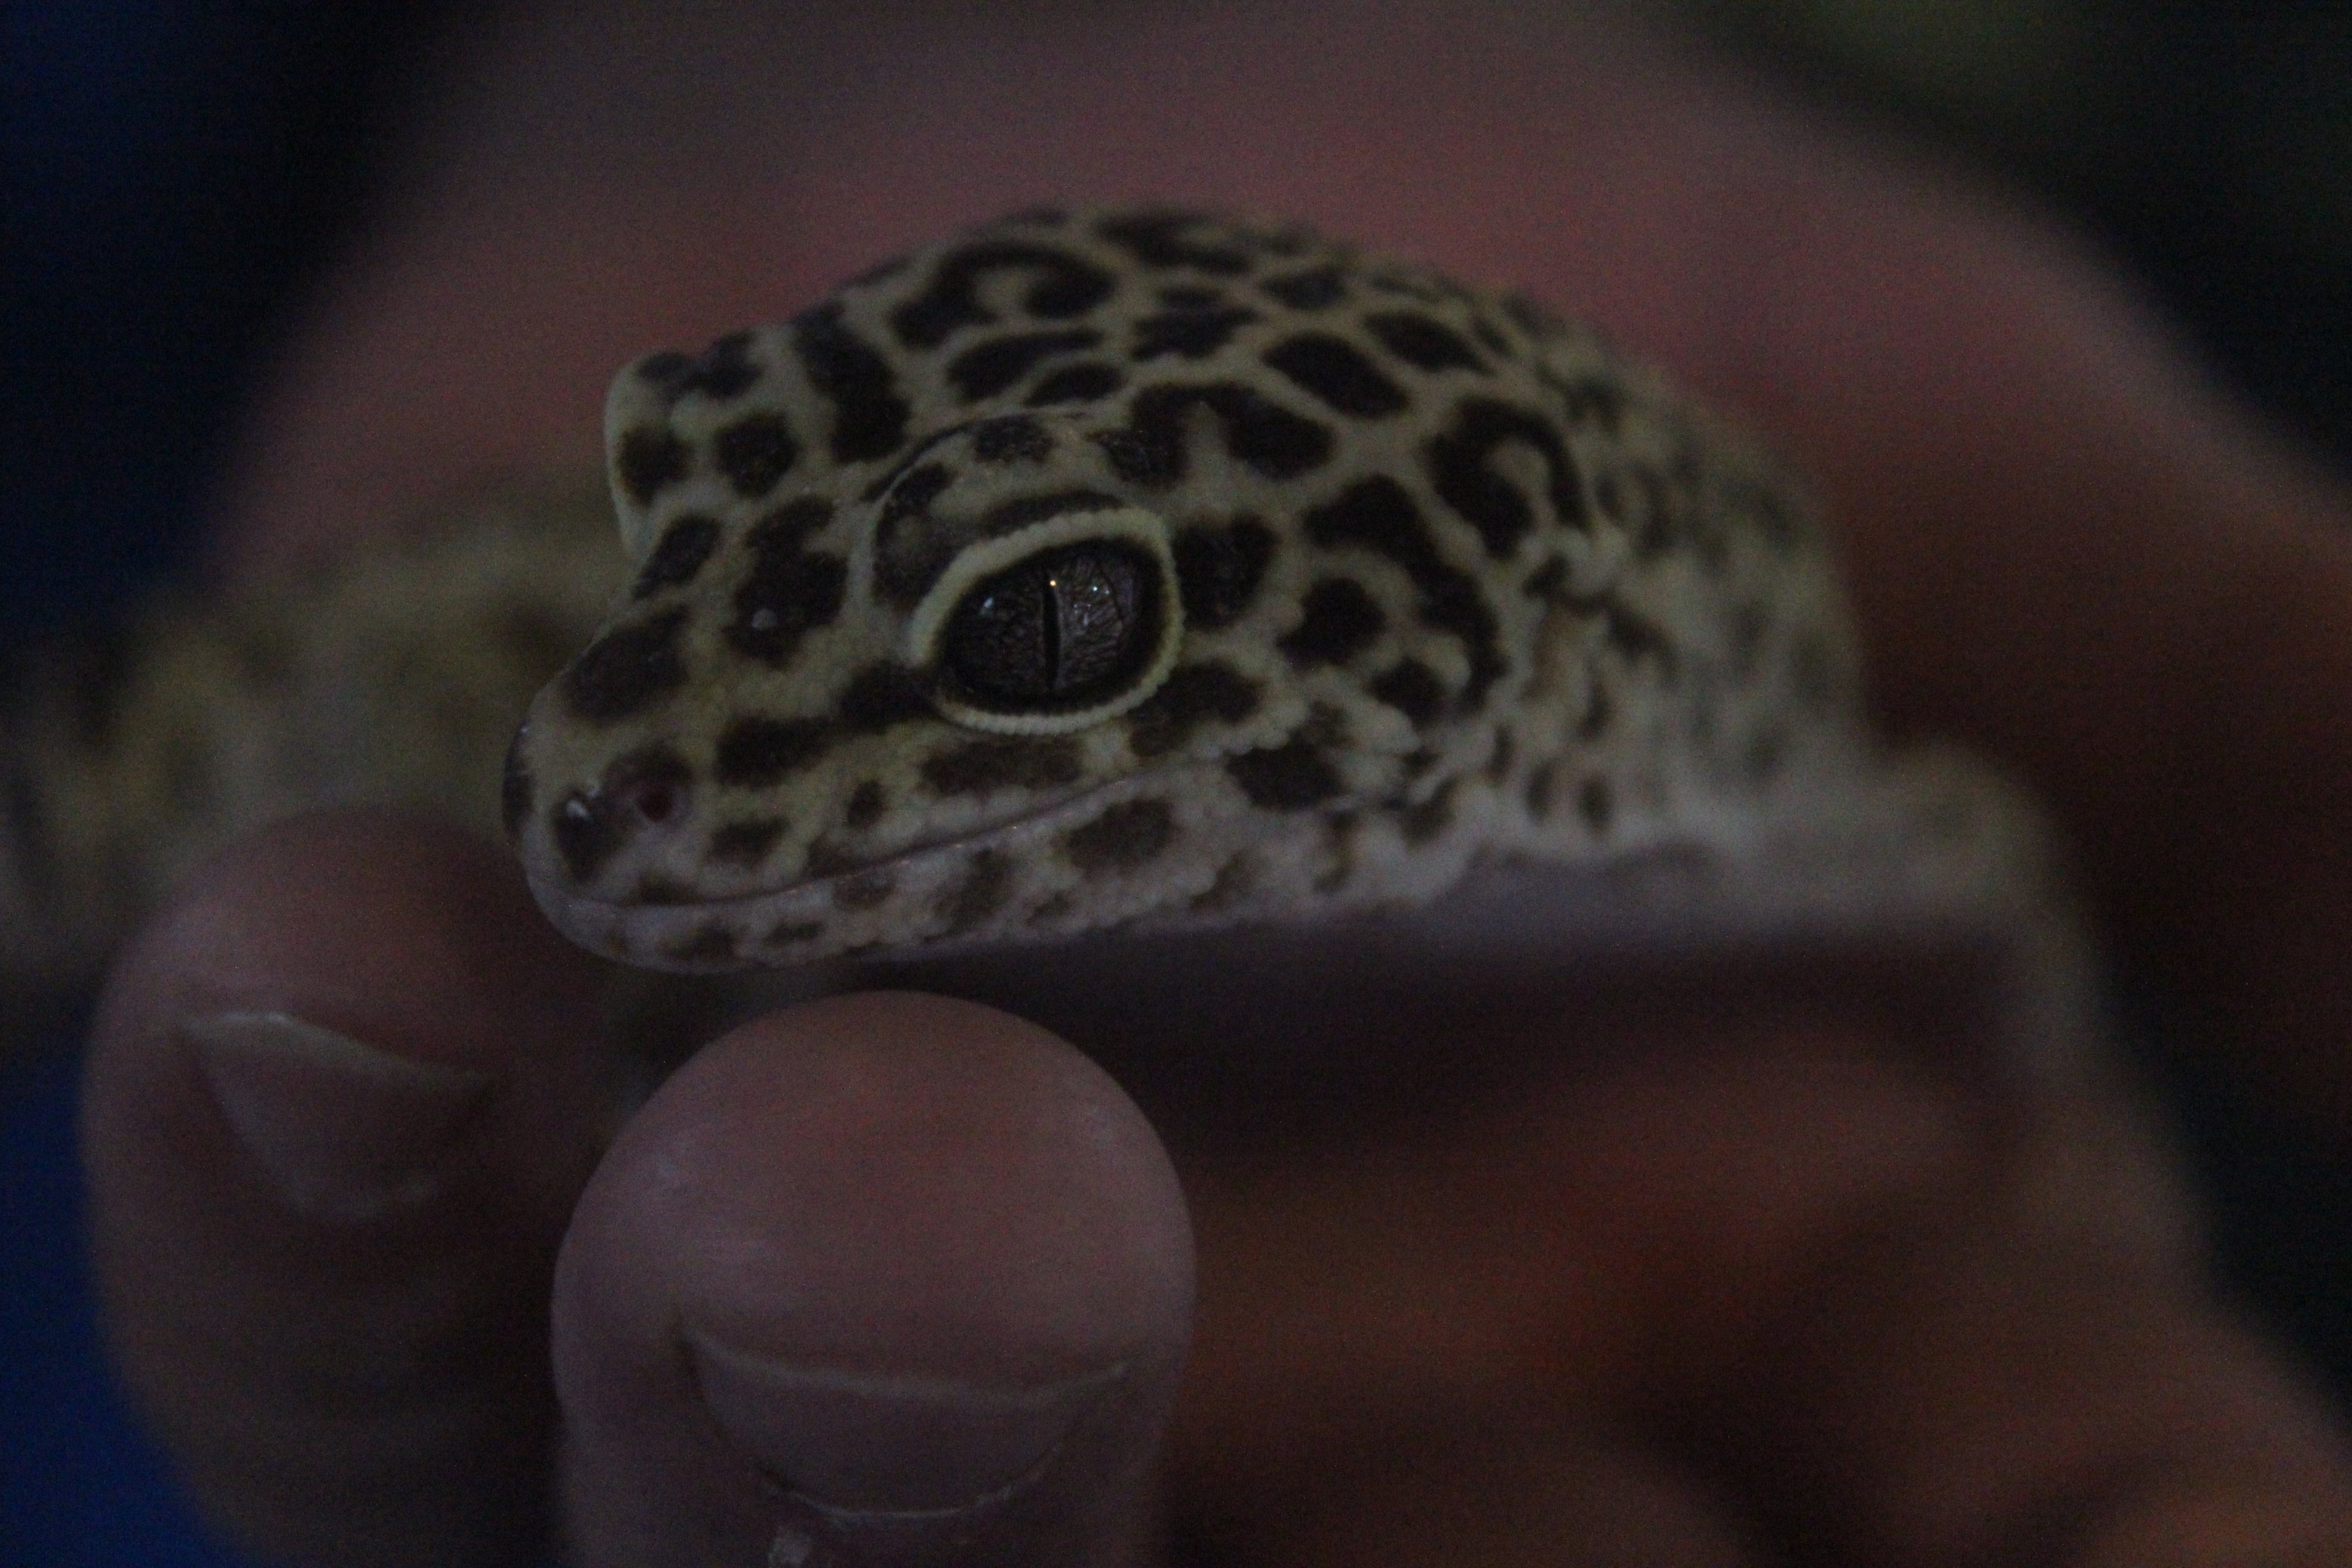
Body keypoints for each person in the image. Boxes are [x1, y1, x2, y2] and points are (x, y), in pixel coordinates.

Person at [77, 2, 2352, 1562]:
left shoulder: (1796, 809)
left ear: (1499, 646)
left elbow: (2000, 892)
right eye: (678, 503)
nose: (589, 769)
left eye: (1040, 639)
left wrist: (2054, 1102)